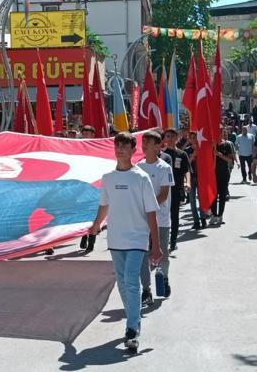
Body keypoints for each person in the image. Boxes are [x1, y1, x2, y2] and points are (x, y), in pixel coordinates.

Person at [87, 132, 161, 352]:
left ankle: (132, 327)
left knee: (131, 280)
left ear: (132, 149)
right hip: (116, 239)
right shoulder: (108, 178)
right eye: (117, 145)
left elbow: (151, 213)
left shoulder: (141, 178)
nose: (119, 149)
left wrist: (155, 245)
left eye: (124, 146)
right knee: (122, 282)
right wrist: (95, 225)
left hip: (137, 238)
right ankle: (134, 317)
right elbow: (104, 206)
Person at [137, 130, 174, 306]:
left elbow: (164, 194)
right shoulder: (138, 167)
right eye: (143, 142)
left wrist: (149, 207)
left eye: (148, 143)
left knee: (162, 253)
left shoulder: (164, 168)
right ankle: (146, 290)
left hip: (161, 219)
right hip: (142, 220)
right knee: (143, 254)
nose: (144, 146)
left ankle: (164, 277)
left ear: (158, 146)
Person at [163, 129, 191, 251]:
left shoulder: (182, 154)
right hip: (163, 190)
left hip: (176, 189)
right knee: (163, 216)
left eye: (171, 136)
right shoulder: (161, 154)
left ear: (176, 138)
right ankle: (161, 240)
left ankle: (173, 242)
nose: (169, 138)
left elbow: (187, 170)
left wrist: (188, 182)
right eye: (167, 136)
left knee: (174, 216)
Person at [211, 128, 235, 225]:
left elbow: (229, 160)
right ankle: (213, 215)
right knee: (213, 195)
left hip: (224, 173)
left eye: (220, 132)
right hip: (213, 173)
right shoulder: (212, 145)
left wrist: (219, 155)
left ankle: (220, 215)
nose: (218, 134)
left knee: (222, 195)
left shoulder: (227, 144)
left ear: (222, 133)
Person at [185, 131, 207, 230]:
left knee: (202, 200)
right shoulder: (187, 151)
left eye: (195, 137)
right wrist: (193, 155)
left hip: (201, 177)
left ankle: (203, 219)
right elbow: (186, 165)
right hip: (191, 178)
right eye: (191, 138)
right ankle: (196, 221)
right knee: (192, 201)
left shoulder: (202, 149)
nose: (193, 139)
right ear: (189, 139)